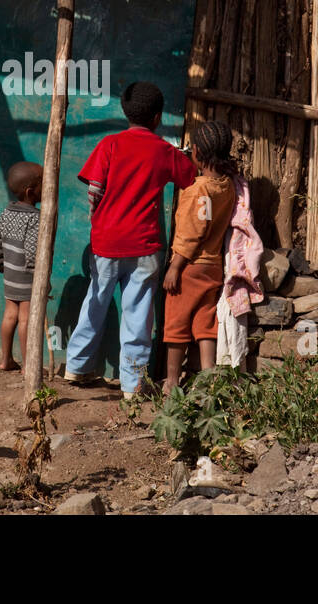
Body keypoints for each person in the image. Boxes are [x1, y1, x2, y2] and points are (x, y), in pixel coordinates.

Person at [64, 82, 195, 399]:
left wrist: (101, 219)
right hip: (144, 247)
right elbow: (189, 175)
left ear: (125, 112)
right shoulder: (164, 151)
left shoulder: (109, 144)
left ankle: (77, 366)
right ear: (157, 117)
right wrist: (182, 155)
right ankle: (133, 387)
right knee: (137, 315)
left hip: (106, 242)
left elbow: (93, 191)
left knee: (95, 303)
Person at [162, 120, 239, 393]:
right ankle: (209, 379)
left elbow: (192, 232)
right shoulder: (227, 186)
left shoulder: (198, 190)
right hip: (213, 266)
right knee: (205, 322)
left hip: (191, 266)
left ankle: (171, 382)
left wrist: (175, 266)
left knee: (176, 322)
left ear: (196, 152)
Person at [0, 160, 42, 371]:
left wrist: (1, 264)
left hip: (10, 274)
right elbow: (33, 252)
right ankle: (28, 366)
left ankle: (6, 360)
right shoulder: (36, 219)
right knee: (25, 320)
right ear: (31, 192)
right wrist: (40, 279)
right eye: (44, 183)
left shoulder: (6, 213)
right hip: (27, 276)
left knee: (9, 315)